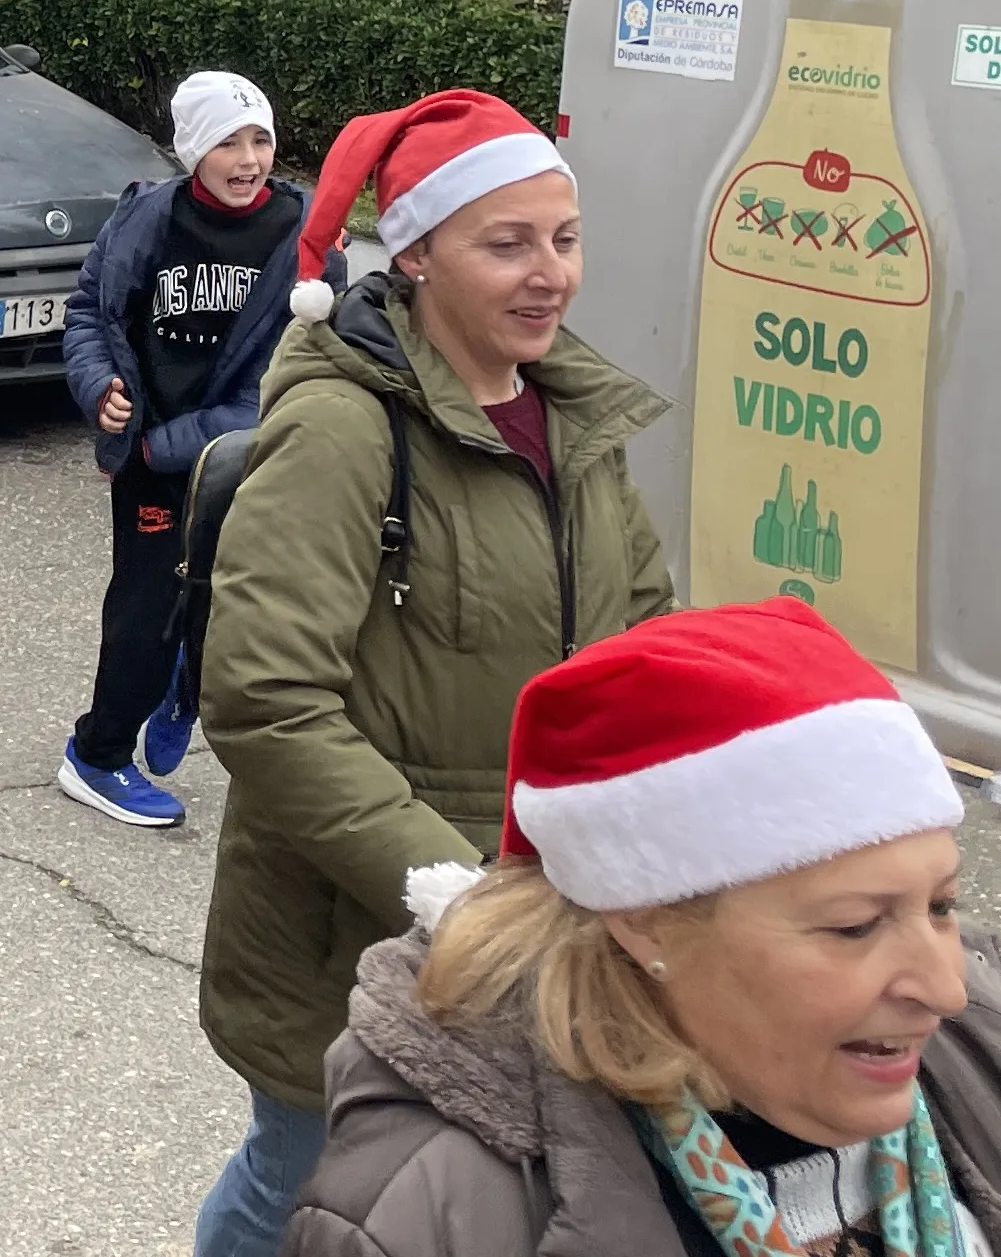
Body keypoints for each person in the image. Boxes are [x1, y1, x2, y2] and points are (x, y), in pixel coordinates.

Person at [189, 89, 676, 1257]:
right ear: (413, 255)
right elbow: (265, 702)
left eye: (564, 239)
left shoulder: (573, 419)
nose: (550, 275)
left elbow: (647, 634)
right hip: (362, 934)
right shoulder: (345, 429)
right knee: (304, 1182)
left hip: (553, 917)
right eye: (507, 245)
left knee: (482, 1199)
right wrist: (446, 891)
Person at [281, 599, 1001, 1257]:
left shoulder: (969, 1049)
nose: (946, 990)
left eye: (941, 905)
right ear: (645, 920)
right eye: (854, 927)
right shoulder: (437, 1214)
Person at [53, 70, 338, 829]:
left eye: (260, 140)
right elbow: (89, 314)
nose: (248, 160)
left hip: (245, 454)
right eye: (227, 143)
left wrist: (163, 445)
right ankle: (97, 756)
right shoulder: (145, 217)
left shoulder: (305, 236)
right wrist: (99, 387)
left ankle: (187, 678)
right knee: (146, 608)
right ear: (192, 153)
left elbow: (285, 377)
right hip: (147, 462)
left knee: (238, 606)